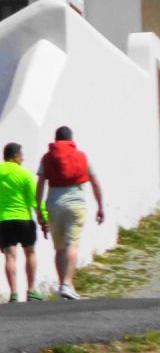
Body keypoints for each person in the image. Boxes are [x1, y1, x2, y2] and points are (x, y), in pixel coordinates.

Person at [35, 126, 105, 300]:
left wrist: (38, 209)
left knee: (59, 249)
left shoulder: (47, 158)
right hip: (76, 205)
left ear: (55, 139)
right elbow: (95, 182)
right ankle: (67, 284)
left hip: (54, 205)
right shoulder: (81, 156)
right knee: (71, 245)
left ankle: (63, 287)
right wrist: (100, 206)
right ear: (72, 140)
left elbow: (40, 184)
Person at [0, 142, 42, 301]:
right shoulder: (24, 174)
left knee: (10, 257)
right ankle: (31, 290)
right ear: (16, 156)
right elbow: (34, 199)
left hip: (4, 220)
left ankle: (14, 293)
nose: (23, 158)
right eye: (21, 155)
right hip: (23, 218)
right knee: (29, 252)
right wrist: (43, 215)